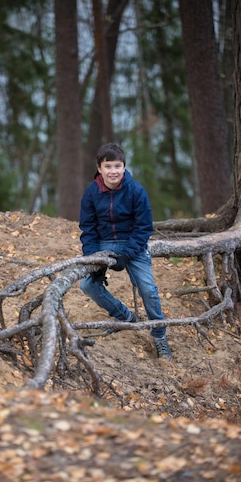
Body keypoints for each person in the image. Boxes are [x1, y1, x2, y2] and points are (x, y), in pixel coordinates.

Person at [79, 142, 172, 360]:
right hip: (104, 244)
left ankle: (159, 335)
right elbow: (88, 228)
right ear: (99, 168)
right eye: (108, 166)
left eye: (118, 166)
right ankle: (125, 317)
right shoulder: (91, 192)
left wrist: (127, 255)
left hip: (133, 244)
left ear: (124, 167)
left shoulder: (136, 190)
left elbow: (143, 227)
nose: (113, 171)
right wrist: (93, 259)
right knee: (87, 284)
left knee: (148, 289)